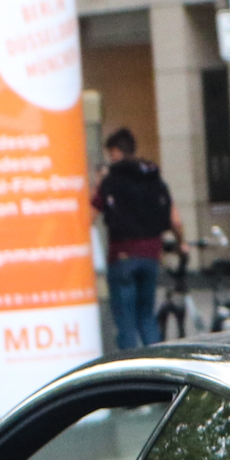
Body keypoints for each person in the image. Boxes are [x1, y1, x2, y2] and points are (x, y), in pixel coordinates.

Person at [92, 129, 182, 350]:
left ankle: (129, 371)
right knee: (146, 316)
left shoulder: (111, 181)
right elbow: (175, 221)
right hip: (151, 256)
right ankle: (159, 366)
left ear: (115, 152)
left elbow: (89, 216)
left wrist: (98, 186)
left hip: (122, 257)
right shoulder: (153, 178)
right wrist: (182, 243)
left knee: (125, 324)